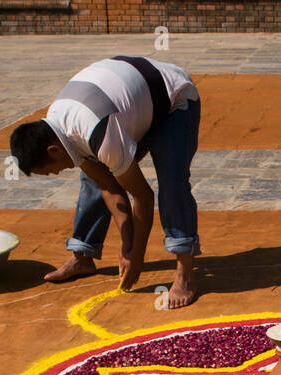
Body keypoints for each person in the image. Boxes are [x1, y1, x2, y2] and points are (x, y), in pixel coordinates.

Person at [10, 56, 201, 308]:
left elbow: (143, 196)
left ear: (53, 150)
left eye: (49, 171)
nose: (56, 174)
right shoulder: (57, 123)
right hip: (129, 104)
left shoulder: (96, 130)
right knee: (92, 176)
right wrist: (126, 244)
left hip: (173, 98)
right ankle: (83, 256)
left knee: (171, 179)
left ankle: (185, 272)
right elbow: (109, 186)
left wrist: (137, 256)